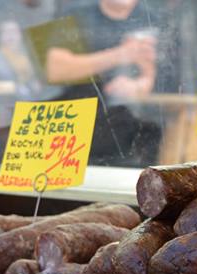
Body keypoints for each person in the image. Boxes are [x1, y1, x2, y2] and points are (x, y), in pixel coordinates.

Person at [42, 0, 162, 166]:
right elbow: (54, 69)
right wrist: (121, 54)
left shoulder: (154, 18)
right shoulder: (75, 14)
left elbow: (158, 76)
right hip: (74, 129)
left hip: (134, 134)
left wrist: (139, 86)